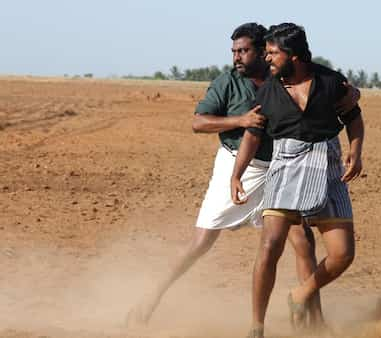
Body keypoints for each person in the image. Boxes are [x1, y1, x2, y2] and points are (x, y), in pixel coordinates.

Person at [126, 22, 328, 327]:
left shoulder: (283, 78)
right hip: (235, 166)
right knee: (201, 242)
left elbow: (321, 85)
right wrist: (240, 119)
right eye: (234, 51)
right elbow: (198, 122)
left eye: (244, 50)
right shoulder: (228, 82)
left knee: (303, 241)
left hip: (278, 168)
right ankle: (151, 298)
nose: (237, 57)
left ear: (264, 51)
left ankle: (315, 321)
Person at [230, 23, 365, 338]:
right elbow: (253, 134)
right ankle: (256, 326)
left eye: (273, 53)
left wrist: (356, 152)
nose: (268, 58)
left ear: (294, 55)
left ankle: (301, 293)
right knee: (270, 246)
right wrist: (237, 174)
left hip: (328, 168)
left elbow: (353, 117)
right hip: (285, 169)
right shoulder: (267, 90)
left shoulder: (330, 82)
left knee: (343, 253)